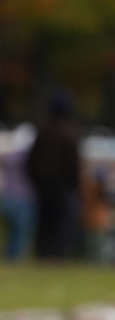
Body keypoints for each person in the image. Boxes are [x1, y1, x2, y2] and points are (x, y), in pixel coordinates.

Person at [26, 91, 81, 260]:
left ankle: (44, 254)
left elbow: (31, 162)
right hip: (62, 188)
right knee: (60, 225)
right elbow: (74, 165)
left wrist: (36, 181)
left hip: (44, 187)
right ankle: (56, 256)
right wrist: (74, 185)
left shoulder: (43, 132)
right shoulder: (69, 134)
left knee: (45, 224)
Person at [0, 124, 37, 261]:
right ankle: (13, 257)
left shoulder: (9, 157)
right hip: (24, 197)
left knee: (10, 231)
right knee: (19, 232)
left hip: (7, 195)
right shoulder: (31, 158)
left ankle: (10, 255)